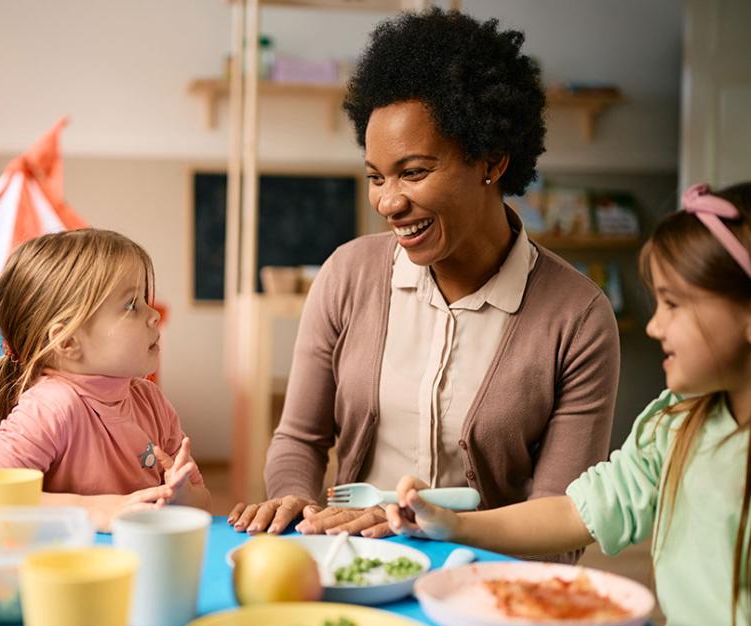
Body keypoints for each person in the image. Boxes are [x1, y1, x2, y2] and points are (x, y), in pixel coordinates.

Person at [230, 8, 620, 560]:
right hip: (357, 563)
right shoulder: (347, 276)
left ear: (491, 161)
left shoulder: (578, 317)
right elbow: (299, 438)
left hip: (488, 578)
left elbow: (562, 517)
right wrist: (295, 499)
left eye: (413, 172)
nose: (388, 202)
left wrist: (428, 528)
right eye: (376, 176)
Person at [385, 182, 751, 626]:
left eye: (673, 304)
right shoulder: (675, 424)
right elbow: (575, 514)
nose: (655, 326)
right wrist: (453, 524)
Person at [0, 228, 210, 531]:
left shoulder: (151, 401)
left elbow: (202, 502)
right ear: (67, 341)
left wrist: (182, 496)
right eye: (131, 305)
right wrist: (91, 509)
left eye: (144, 299)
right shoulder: (52, 406)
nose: (154, 315)